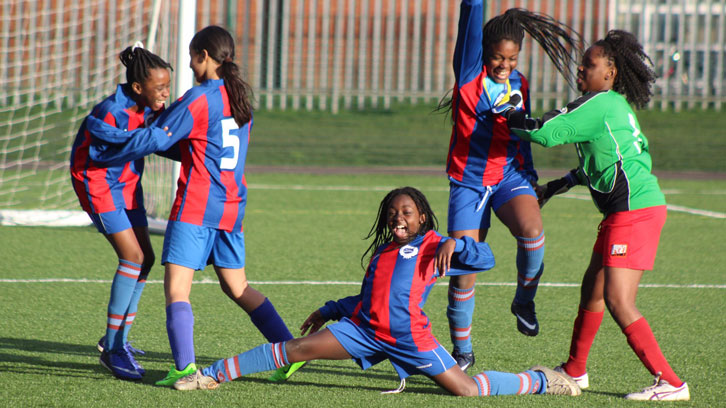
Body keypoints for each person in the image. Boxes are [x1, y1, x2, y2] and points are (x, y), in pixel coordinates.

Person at [170, 187, 582, 397]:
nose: (399, 217)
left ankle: (542, 382)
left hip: (411, 337)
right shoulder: (384, 252)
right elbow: (370, 299)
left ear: (422, 215)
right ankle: (212, 374)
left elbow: (487, 258)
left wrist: (460, 244)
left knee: (467, 390)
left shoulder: (435, 244)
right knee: (296, 349)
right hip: (364, 329)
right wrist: (330, 308)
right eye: (393, 213)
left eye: (406, 212)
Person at [84, 25, 303, 386]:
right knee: (238, 288)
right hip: (232, 206)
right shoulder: (240, 97)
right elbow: (194, 147)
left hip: (197, 207)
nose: (189, 65)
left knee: (177, 290)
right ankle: (291, 350)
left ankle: (184, 367)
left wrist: (108, 141)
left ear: (203, 56)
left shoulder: (199, 98)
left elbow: (156, 137)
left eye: (191, 56)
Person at [496, 30, 689, 401]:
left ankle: (671, 383)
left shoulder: (598, 103)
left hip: (633, 213)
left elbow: (544, 132)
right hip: (631, 210)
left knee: (618, 300)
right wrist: (559, 184)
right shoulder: (614, 107)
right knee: (593, 291)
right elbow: (604, 165)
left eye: (590, 64)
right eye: (582, 63)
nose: (581, 69)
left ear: (611, 72)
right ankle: (575, 370)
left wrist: (505, 112)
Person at [439, 0, 582, 371]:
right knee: (465, 265)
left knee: (533, 232)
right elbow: (470, 18)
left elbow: (521, 136)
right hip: (469, 182)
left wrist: (531, 177)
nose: (505, 65)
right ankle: (463, 350)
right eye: (499, 58)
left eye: (513, 58)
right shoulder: (470, 72)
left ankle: (524, 300)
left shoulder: (519, 83)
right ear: (484, 53)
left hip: (507, 176)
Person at [70, 42, 172, 381]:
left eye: (167, 87)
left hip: (127, 184)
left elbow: (159, 136)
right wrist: (155, 138)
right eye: (160, 88)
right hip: (97, 184)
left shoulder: (147, 106)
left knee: (146, 258)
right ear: (139, 87)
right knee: (131, 256)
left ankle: (118, 340)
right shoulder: (108, 111)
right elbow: (103, 155)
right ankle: (112, 350)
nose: (165, 94)